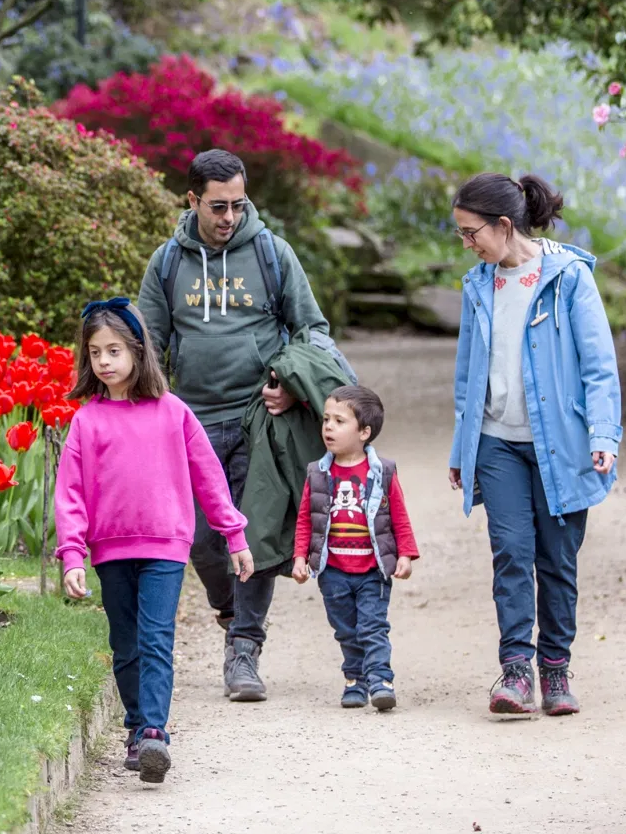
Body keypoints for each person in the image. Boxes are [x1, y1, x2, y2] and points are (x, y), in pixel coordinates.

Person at [136, 148, 338, 703]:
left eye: (238, 205)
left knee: (251, 532)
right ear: (193, 200)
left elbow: (312, 330)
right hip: (192, 420)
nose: (229, 217)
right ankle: (231, 612)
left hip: (258, 416)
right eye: (218, 206)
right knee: (201, 539)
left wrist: (287, 382)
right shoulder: (168, 262)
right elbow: (146, 344)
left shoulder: (273, 254)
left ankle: (244, 648)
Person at [56, 297, 255, 784]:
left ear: (138, 351)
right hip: (110, 550)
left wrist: (234, 534)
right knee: (125, 644)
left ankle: (153, 733)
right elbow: (71, 494)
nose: (105, 361)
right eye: (96, 353)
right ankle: (133, 730)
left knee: (155, 639)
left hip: (165, 546)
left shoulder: (173, 412)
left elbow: (209, 478)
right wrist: (72, 554)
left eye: (115, 351)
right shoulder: (87, 421)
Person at [448, 172, 621, 717]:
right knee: (512, 553)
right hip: (498, 442)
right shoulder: (478, 285)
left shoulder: (568, 277)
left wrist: (603, 434)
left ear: (504, 225)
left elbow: (599, 367)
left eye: (471, 232)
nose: (467, 243)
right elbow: (466, 376)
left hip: (562, 444)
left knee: (557, 560)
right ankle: (517, 671)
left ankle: (555, 669)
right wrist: (462, 448)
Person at [291, 385, 418, 711]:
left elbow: (399, 516)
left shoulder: (382, 472)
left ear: (364, 432)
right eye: (326, 420)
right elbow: (306, 519)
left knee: (373, 626)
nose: (328, 427)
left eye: (339, 421)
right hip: (332, 570)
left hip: (372, 569)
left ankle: (380, 679)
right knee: (346, 629)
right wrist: (300, 557)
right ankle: (354, 679)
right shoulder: (318, 474)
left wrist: (405, 554)